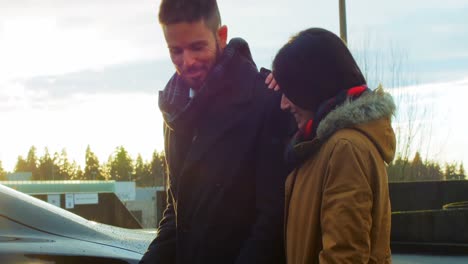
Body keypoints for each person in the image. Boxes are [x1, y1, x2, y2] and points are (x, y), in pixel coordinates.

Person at [139, 0, 292, 263]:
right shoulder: (175, 111)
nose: (187, 61)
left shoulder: (266, 102)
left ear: (221, 36)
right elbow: (177, 211)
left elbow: (272, 222)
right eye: (176, 50)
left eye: (197, 47)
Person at [271, 28, 396, 263]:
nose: (283, 104)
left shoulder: (345, 149)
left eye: (290, 92)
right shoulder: (319, 147)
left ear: (312, 88)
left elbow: (343, 257)